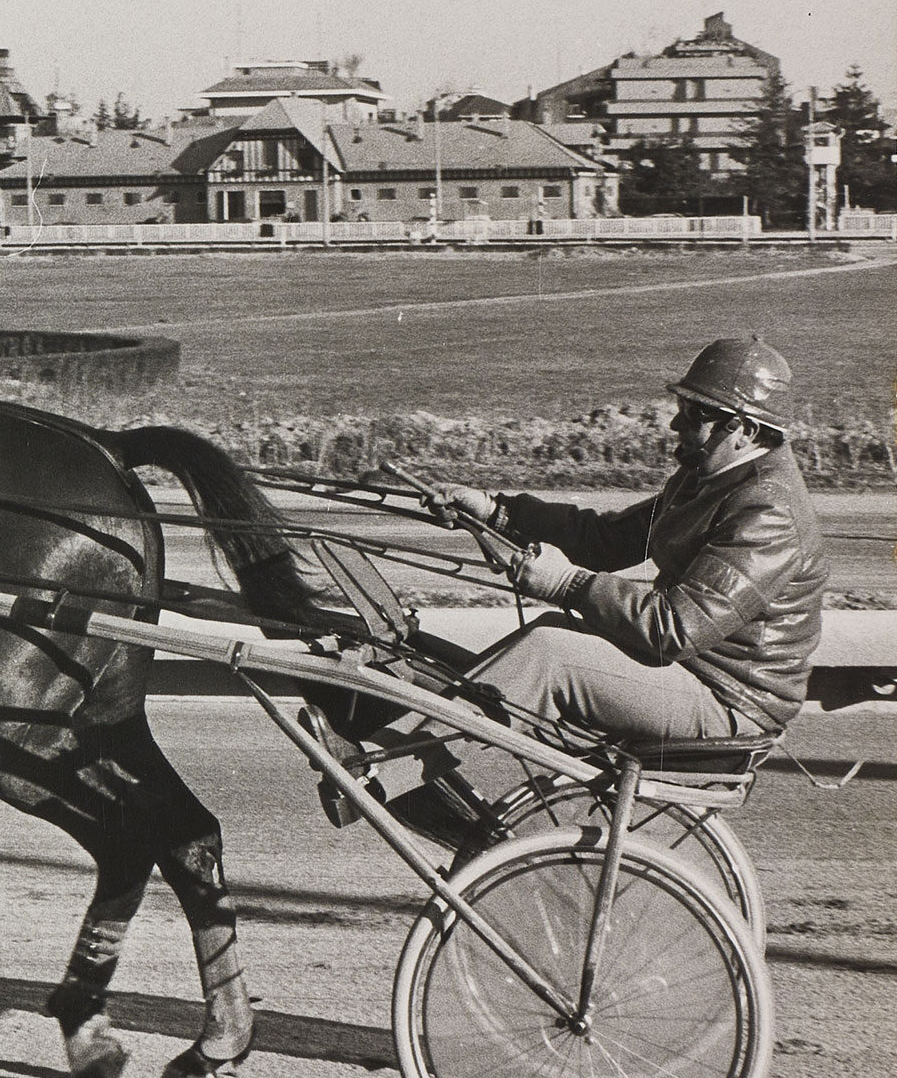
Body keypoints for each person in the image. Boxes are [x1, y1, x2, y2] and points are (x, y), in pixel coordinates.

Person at [309, 337, 830, 846]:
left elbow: (674, 628)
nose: (676, 424)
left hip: (729, 705)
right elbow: (603, 540)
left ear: (738, 427)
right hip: (692, 676)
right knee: (550, 633)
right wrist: (496, 511)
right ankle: (400, 733)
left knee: (551, 654)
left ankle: (384, 772)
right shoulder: (706, 479)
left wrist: (566, 582)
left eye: (693, 414)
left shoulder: (768, 510)